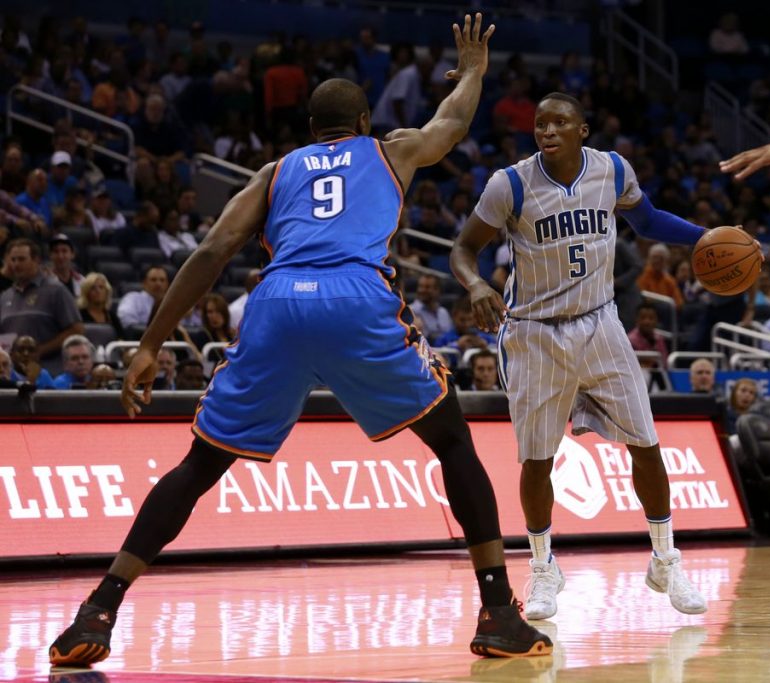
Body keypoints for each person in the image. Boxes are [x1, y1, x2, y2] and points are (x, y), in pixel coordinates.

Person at [48, 15, 551, 667]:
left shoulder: (274, 171)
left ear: (312, 130)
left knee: (200, 464)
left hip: (277, 301)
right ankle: (498, 612)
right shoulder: (390, 149)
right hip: (356, 296)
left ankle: (101, 606)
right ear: (365, 122)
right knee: (452, 440)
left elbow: (211, 250)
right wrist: (475, 70)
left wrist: (149, 345)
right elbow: (450, 124)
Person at [451, 90, 713, 622]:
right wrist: (476, 285)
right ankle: (544, 566)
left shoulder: (613, 171)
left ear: (582, 130)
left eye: (559, 123)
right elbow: (462, 249)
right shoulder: (511, 183)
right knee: (537, 459)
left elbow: (651, 221)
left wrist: (707, 238)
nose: (547, 131)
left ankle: (665, 559)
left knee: (646, 442)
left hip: (601, 321)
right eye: (540, 123)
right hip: (535, 332)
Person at [0, 239, 84, 369]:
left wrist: (41, 350)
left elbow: (76, 329)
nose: (16, 264)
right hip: (11, 373)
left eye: (22, 259)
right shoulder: (5, 296)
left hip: (49, 371)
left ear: (36, 260)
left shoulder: (56, 290)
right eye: (13, 260)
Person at [77, 272, 125, 339]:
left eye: (101, 287)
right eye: (93, 288)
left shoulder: (112, 317)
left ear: (107, 292)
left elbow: (121, 340)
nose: (98, 291)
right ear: (87, 293)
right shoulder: (78, 316)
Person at [409, 273, 454, 344]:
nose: (422, 290)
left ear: (437, 290)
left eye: (427, 287)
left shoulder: (443, 312)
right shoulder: (410, 311)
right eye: (420, 286)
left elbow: (450, 336)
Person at [628, 301, 669, 368]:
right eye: (643, 317)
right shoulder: (630, 340)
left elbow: (665, 364)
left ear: (656, 320)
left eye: (651, 318)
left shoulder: (659, 338)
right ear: (637, 320)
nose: (647, 321)